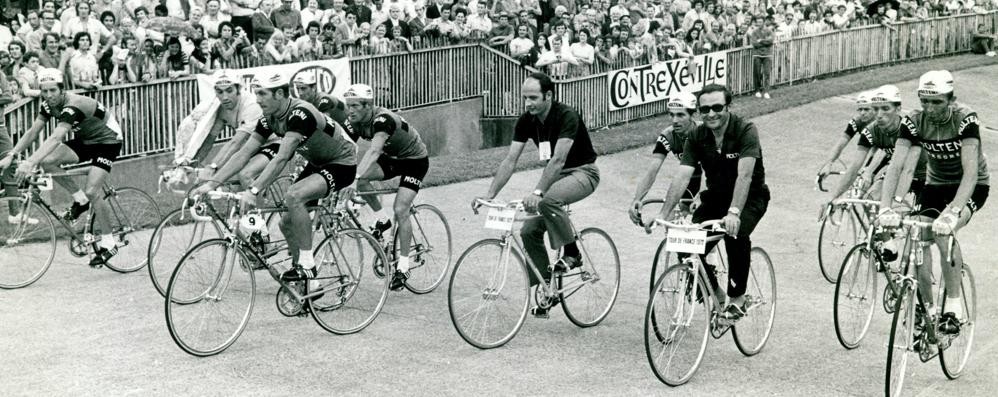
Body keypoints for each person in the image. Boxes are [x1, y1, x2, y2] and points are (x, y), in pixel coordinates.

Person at [192, 71, 358, 289]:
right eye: (255, 94)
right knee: (286, 223)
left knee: (294, 196)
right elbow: (243, 153)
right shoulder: (268, 118)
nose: (257, 100)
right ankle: (311, 284)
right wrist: (212, 183)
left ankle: (308, 264)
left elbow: (281, 158)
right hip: (318, 162)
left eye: (262, 94)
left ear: (280, 94)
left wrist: (253, 191)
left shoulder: (300, 113)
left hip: (342, 162)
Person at [474, 72, 600, 318]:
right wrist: (489, 194)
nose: (528, 103)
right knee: (528, 231)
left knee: (548, 200)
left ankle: (572, 253)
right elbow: (511, 160)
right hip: (556, 177)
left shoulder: (566, 116)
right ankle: (547, 289)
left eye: (533, 97)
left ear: (549, 95)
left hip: (583, 172)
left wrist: (538, 192)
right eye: (525, 98)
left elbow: (558, 159)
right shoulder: (526, 121)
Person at [878, 70, 990, 336]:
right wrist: (886, 207)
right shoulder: (914, 121)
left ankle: (953, 307)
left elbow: (971, 172)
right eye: (924, 101)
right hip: (936, 184)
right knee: (918, 232)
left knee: (943, 233)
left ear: (951, 100)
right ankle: (926, 307)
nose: (930, 108)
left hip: (970, 186)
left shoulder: (965, 119)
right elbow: (896, 167)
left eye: (937, 102)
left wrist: (953, 213)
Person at [654, 83, 770, 321]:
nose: (711, 113)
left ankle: (737, 298)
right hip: (716, 197)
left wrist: (735, 212)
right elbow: (682, 174)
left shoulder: (745, 129)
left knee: (734, 233)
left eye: (717, 107)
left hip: (749, 197)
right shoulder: (697, 135)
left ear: (728, 106)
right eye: (704, 109)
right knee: (685, 243)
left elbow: (745, 176)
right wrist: (664, 213)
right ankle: (715, 293)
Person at [0, 68, 124, 267]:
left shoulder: (73, 105)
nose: (49, 96)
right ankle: (80, 200)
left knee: (93, 190)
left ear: (62, 90)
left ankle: (109, 243)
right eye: (45, 91)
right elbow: (33, 131)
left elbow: (56, 137)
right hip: (86, 140)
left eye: (53, 91)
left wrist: (29, 162)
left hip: (108, 141)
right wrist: (12, 154)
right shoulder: (48, 105)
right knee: (48, 161)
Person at [344, 83, 430, 291]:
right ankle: (382, 220)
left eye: (355, 106)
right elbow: (343, 146)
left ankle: (403, 265)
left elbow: (373, 152)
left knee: (401, 209)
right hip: (393, 158)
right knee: (364, 180)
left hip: (414, 161)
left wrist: (353, 178)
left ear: (368, 105)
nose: (350, 111)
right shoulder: (353, 122)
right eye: (348, 106)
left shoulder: (383, 120)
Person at [826, 85, 924, 203]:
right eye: (876, 109)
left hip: (924, 174)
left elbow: (908, 169)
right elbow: (854, 167)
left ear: (898, 109)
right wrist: (832, 198)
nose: (879, 115)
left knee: (898, 209)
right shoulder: (870, 131)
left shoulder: (909, 127)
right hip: (896, 169)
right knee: (870, 200)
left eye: (885, 109)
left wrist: (895, 200)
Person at [629, 92, 702, 226]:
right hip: (689, 181)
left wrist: (702, 197)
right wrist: (637, 199)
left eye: (680, 115)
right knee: (672, 221)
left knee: (703, 222)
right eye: (672, 114)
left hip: (710, 179)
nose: (675, 120)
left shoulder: (704, 133)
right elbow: (652, 171)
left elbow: (710, 172)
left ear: (693, 115)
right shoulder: (668, 135)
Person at [817, 91, 875, 178]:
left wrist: (868, 170)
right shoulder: (857, 121)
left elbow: (877, 151)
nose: (862, 113)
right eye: (860, 109)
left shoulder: (881, 123)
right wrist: (829, 163)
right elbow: (841, 144)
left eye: (866, 109)